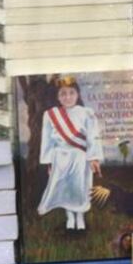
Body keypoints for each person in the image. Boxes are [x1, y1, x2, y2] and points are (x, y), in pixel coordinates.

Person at [37, 76, 102, 232]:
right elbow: (47, 140)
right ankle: (70, 217)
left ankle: (80, 217)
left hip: (80, 157)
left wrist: (93, 158)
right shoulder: (51, 115)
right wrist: (48, 161)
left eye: (71, 93)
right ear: (58, 97)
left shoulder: (86, 113)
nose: (67, 97)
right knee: (65, 187)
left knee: (79, 187)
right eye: (63, 94)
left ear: (77, 94)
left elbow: (93, 136)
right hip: (60, 157)